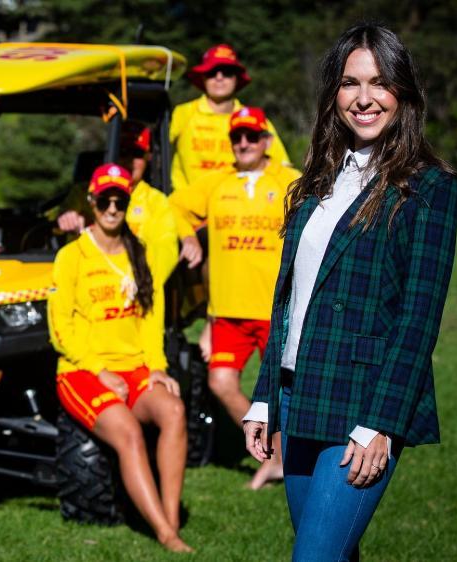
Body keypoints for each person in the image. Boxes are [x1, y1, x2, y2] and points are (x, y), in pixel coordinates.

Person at [242, 24, 457, 561]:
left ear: (403, 94)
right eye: (349, 83)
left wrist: (381, 423)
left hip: (363, 403)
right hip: (299, 400)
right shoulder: (316, 182)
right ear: (333, 94)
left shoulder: (430, 188)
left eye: (379, 82)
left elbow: (418, 319)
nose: (364, 98)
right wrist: (265, 395)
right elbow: (290, 301)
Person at [49, 164, 193, 553]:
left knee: (175, 411)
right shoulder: (70, 256)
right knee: (129, 433)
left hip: (135, 367)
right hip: (82, 371)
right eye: (105, 200)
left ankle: (170, 520)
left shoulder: (139, 252)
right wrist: (99, 371)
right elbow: (59, 328)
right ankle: (165, 534)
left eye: (120, 200)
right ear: (92, 201)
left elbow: (151, 319)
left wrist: (158, 367)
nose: (112, 208)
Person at [169, 106, 301, 490]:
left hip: (273, 310)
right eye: (237, 137)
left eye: (251, 136)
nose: (243, 143)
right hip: (225, 312)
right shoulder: (216, 182)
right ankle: (274, 456)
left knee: (283, 392)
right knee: (221, 384)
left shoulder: (289, 181)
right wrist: (189, 235)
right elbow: (175, 206)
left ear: (266, 141)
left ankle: (288, 461)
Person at [57, 122, 203, 278]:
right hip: (86, 280)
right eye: (123, 151)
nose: (129, 159)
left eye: (137, 153)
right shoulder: (83, 193)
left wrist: (134, 278)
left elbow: (166, 251)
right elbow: (61, 217)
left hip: (135, 286)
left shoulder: (156, 201)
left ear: (149, 157)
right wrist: (67, 217)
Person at [170, 43, 291, 191]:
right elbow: (153, 152)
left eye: (227, 72)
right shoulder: (183, 113)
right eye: (211, 72)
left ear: (236, 79)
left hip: (238, 209)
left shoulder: (255, 119)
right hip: (188, 209)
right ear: (203, 78)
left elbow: (283, 167)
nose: (219, 77)